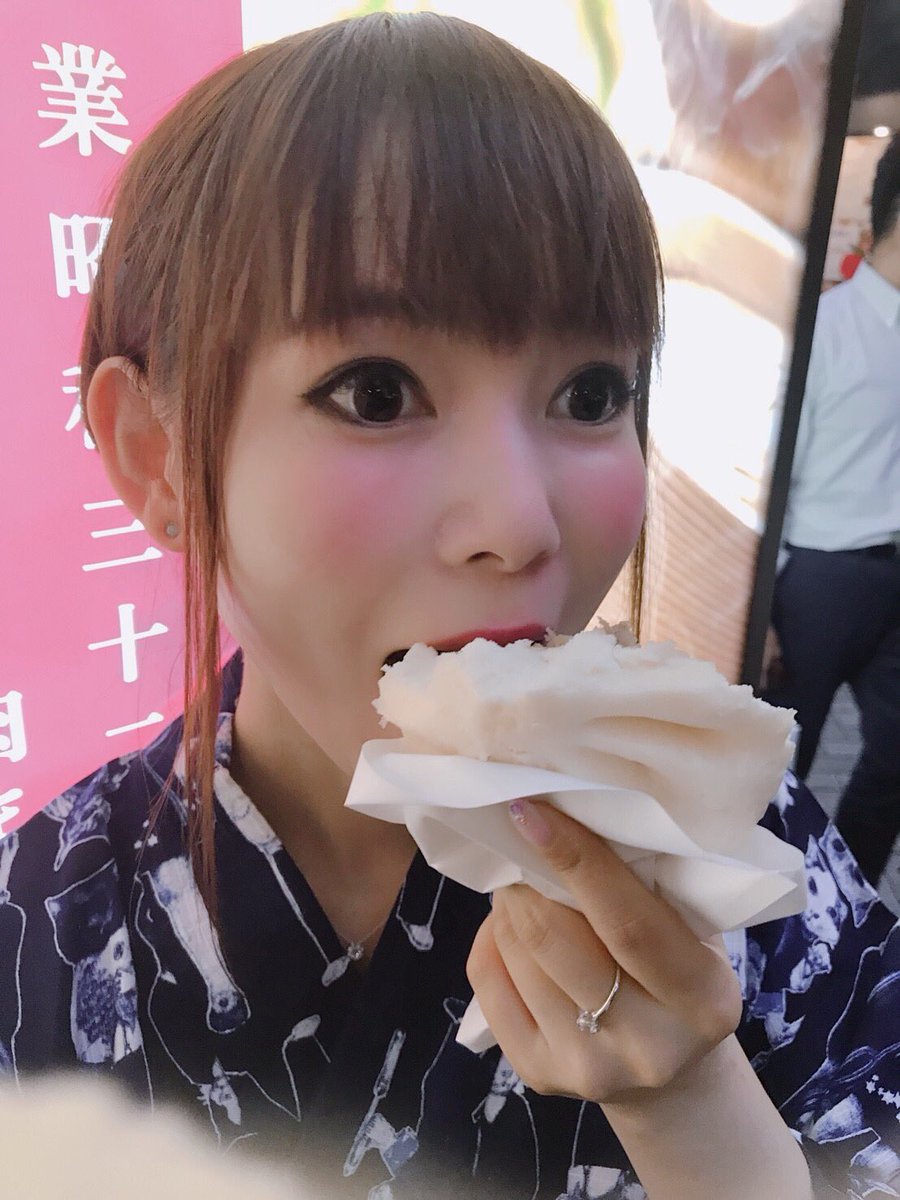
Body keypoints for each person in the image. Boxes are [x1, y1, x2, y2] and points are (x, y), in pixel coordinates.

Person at [1, 14, 898, 1199]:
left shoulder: (733, 833)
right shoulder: (40, 933)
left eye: (592, 392)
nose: (523, 524)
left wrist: (696, 1114)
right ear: (160, 456)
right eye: (376, 392)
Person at [765, 131, 900, 890]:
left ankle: (844, 901)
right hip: (819, 581)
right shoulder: (823, 330)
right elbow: (770, 477)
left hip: (895, 575)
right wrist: (764, 609)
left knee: (894, 763)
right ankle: (753, 922)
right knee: (778, 768)